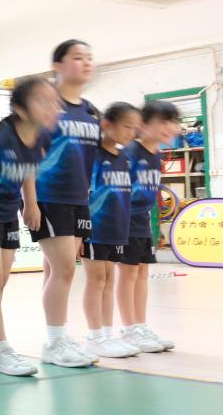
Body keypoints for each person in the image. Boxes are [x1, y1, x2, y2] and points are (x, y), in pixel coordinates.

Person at [0, 78, 63, 376]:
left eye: (53, 101)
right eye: (42, 101)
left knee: (0, 280)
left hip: (7, 211)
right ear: (20, 108)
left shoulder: (41, 137)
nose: (52, 107)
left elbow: (28, 167)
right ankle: (2, 351)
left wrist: (31, 203)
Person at [32, 40, 100, 368]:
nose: (86, 63)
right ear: (57, 66)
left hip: (79, 198)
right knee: (65, 268)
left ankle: (60, 335)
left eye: (89, 58)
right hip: (49, 195)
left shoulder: (90, 111)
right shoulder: (45, 105)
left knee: (60, 270)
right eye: (77, 57)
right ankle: (54, 342)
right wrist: (29, 202)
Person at [116, 100, 181, 352]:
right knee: (128, 273)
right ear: (143, 125)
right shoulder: (130, 152)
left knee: (142, 272)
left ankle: (140, 326)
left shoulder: (155, 155)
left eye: (173, 122)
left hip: (142, 219)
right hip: (124, 220)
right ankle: (129, 329)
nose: (171, 128)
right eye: (163, 122)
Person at [82, 103, 143, 359]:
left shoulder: (124, 158)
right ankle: (94, 336)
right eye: (127, 126)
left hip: (116, 228)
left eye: (135, 128)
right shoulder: (92, 157)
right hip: (95, 227)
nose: (132, 133)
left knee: (108, 279)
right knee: (96, 280)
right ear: (107, 124)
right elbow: (84, 193)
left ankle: (106, 334)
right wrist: (81, 229)